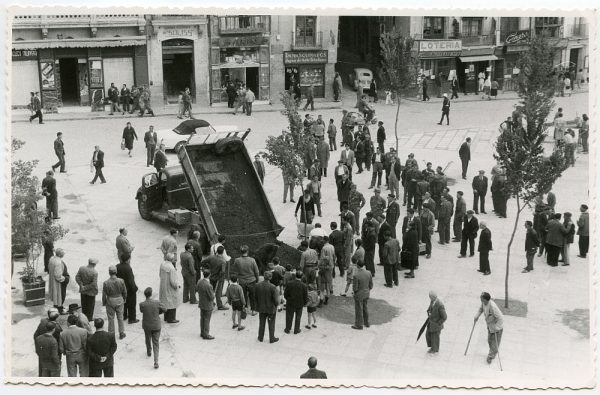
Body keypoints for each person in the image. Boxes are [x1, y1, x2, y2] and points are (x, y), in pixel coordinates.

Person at [474, 292, 504, 364]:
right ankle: (492, 353)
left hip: (497, 328)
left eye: (481, 298)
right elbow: (481, 309)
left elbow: (500, 317)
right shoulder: (484, 303)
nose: (480, 300)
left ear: (485, 299)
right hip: (490, 326)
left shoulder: (493, 307)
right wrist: (477, 316)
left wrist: (496, 327)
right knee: (489, 340)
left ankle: (491, 356)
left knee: (494, 343)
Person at [139, 287, 165, 369]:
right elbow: (165, 309)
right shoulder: (157, 302)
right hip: (156, 325)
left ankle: (149, 351)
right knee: (156, 343)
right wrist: (158, 312)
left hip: (147, 326)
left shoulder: (142, 304)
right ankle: (156, 361)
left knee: (147, 339)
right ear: (151, 294)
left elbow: (142, 311)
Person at [231, 245, 260, 315]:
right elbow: (256, 271)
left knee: (243, 295)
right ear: (247, 251)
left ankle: (245, 308)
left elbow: (235, 271)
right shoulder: (252, 260)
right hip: (251, 280)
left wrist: (237, 278)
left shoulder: (237, 260)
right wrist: (257, 279)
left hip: (242, 281)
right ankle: (253, 310)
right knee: (252, 295)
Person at [255, 272, 280, 343]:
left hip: (261, 308)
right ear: (270, 277)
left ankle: (260, 337)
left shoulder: (257, 285)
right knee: (271, 323)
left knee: (261, 323)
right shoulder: (273, 287)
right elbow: (276, 300)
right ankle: (272, 338)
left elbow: (255, 297)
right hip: (270, 309)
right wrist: (277, 305)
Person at [102, 265, 127, 339]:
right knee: (120, 317)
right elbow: (124, 291)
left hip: (110, 300)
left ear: (109, 273)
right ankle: (121, 333)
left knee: (111, 318)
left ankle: (111, 334)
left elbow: (104, 294)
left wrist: (104, 302)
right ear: (116, 272)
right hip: (119, 299)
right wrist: (124, 298)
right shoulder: (121, 281)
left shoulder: (106, 283)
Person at [203, 245, 228, 310]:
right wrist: (220, 277)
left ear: (217, 251)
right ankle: (219, 305)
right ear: (222, 252)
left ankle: (210, 303)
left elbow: (203, 261)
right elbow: (222, 272)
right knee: (218, 293)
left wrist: (207, 268)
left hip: (211, 277)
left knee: (211, 291)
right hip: (219, 279)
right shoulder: (223, 261)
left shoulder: (211, 257)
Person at [116, 253, 138, 324]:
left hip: (120, 289)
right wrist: (134, 288)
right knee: (131, 304)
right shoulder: (128, 268)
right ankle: (132, 318)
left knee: (124, 303)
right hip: (129, 289)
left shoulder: (117, 266)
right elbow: (130, 280)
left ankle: (124, 315)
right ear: (128, 260)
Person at [351, 260, 373, 330]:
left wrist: (355, 293)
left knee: (359, 309)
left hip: (359, 294)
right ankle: (366, 322)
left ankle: (359, 324)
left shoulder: (356, 275)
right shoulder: (368, 273)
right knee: (365, 308)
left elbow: (355, 288)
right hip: (366, 293)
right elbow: (371, 285)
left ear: (357, 266)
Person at [160, 253, 180, 323]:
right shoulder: (172, 268)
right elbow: (173, 281)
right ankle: (171, 319)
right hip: (170, 287)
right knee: (172, 302)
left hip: (163, 285)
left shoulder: (162, 264)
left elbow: (160, 274)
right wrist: (176, 286)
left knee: (166, 301)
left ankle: (166, 317)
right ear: (171, 259)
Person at [196, 269, 215, 340]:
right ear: (209, 275)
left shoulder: (199, 282)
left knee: (202, 318)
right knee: (207, 320)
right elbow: (211, 297)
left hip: (201, 303)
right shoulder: (209, 285)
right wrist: (213, 294)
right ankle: (206, 334)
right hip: (208, 305)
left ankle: (202, 332)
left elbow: (197, 289)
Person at [48, 248, 68, 314]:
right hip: (57, 282)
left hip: (52, 279)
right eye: (63, 253)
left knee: (55, 295)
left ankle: (56, 306)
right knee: (60, 295)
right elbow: (58, 276)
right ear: (60, 254)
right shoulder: (58, 262)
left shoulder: (52, 258)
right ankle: (60, 309)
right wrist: (65, 279)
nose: (64, 254)